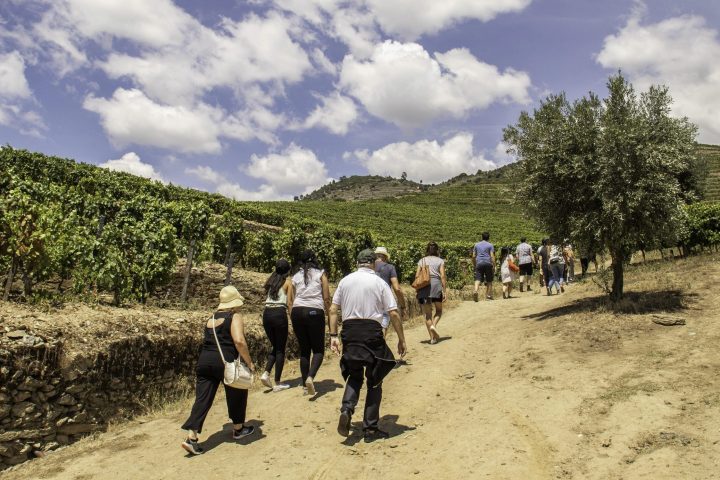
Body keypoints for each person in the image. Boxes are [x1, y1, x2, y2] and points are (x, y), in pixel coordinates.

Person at [329, 249, 407, 443]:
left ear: (357, 263)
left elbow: (332, 309)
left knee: (354, 375)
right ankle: (370, 428)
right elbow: (394, 313)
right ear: (373, 263)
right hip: (371, 332)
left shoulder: (345, 281)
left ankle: (347, 409)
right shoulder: (379, 282)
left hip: (349, 332)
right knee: (375, 379)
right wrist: (401, 339)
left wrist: (333, 336)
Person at [181, 286, 255, 455]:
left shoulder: (211, 318)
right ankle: (238, 428)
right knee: (237, 391)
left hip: (204, 361)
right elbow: (239, 341)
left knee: (203, 399)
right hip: (224, 362)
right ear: (235, 302)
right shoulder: (234, 316)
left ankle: (191, 437)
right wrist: (249, 362)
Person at [288, 249, 331, 396]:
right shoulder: (321, 274)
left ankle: (305, 386)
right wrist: (329, 312)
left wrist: (292, 315)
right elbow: (326, 297)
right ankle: (310, 377)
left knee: (304, 350)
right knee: (318, 350)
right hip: (314, 311)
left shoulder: (295, 276)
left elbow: (291, 299)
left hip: (297, 311)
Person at [260, 259, 292, 392]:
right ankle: (277, 382)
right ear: (287, 270)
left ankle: (266, 373)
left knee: (276, 346)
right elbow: (289, 303)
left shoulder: (271, 281)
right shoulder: (288, 283)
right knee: (280, 349)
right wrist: (292, 318)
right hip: (279, 314)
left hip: (267, 314)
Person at [415, 242, 447, 344]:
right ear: (437, 250)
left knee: (427, 315)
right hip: (436, 286)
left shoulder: (422, 260)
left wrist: (418, 289)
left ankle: (432, 339)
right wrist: (444, 290)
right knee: (439, 311)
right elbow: (442, 276)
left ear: (427, 250)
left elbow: (416, 276)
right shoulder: (440, 261)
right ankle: (434, 325)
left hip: (424, 287)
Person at [374, 246, 406, 336]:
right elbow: (397, 288)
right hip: (384, 300)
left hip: (368, 299)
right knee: (383, 324)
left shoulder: (369, 267)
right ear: (385, 257)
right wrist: (403, 306)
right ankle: (381, 346)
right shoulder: (389, 267)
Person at [472, 232, 495, 301]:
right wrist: (494, 265)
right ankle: (488, 296)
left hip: (479, 263)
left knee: (478, 279)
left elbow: (473, 256)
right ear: (488, 237)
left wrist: (475, 264)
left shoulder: (476, 245)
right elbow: (492, 256)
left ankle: (475, 291)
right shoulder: (490, 245)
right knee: (489, 280)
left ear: (482, 237)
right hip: (488, 263)